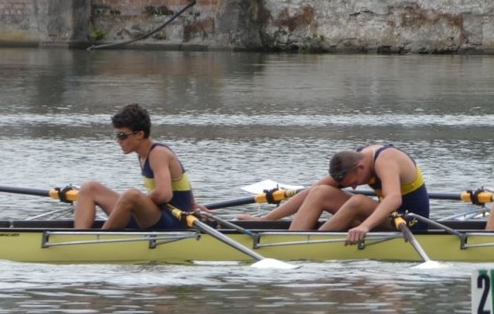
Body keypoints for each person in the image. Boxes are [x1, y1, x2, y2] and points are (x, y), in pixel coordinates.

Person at [237, 144, 430, 245]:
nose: (353, 187)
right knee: (320, 192)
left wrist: (364, 226)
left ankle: (310, 245)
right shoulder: (357, 159)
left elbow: (393, 199)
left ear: (360, 168)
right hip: (386, 216)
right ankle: (293, 239)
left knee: (358, 201)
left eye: (354, 182)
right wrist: (264, 220)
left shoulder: (386, 160)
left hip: (411, 221)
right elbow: (311, 192)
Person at [73, 103, 196, 230]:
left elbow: (164, 194)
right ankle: (79, 235)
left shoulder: (158, 153)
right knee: (89, 188)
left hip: (172, 221)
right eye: (116, 135)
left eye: (122, 136)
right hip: (153, 217)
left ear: (139, 134)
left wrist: (134, 202)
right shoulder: (143, 155)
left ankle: (99, 239)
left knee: (131, 195)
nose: (118, 140)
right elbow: (182, 181)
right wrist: (193, 203)